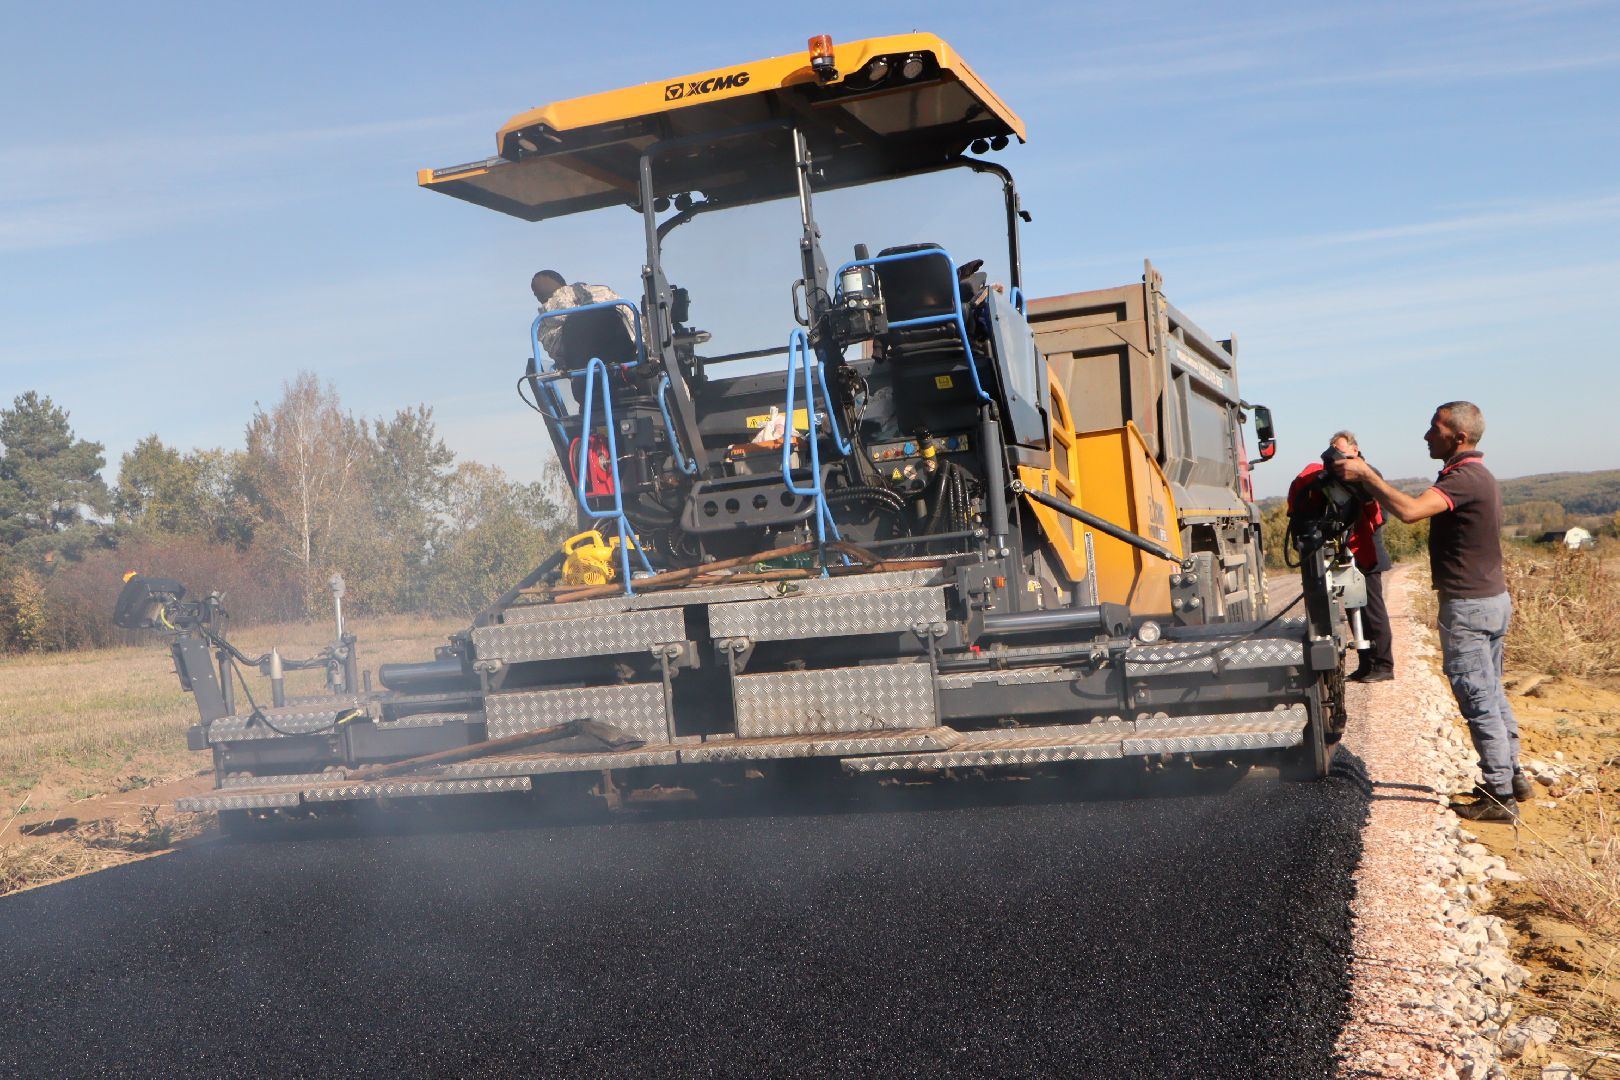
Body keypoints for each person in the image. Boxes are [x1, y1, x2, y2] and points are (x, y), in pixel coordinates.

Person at [1333, 401, 1527, 822]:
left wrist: (1365, 474)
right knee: (1491, 690)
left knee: (1476, 696)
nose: (1426, 436)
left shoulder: (1464, 478)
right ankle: (1512, 776)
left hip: (1469, 606)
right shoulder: (1479, 475)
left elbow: (1409, 511)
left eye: (1434, 428)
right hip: (1491, 600)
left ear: (1459, 436)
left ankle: (1499, 795)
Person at [1287, 431, 1394, 682]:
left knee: (1373, 610)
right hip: (1345, 551)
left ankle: (1383, 665)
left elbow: (1380, 516)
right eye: (1334, 451)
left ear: (1355, 451)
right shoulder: (1329, 480)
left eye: (1343, 452)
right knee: (1354, 607)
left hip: (1367, 551)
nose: (1339, 459)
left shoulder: (1369, 474)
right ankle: (1365, 664)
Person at [531, 270, 640, 372]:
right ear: (564, 284)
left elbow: (559, 355)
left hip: (585, 379)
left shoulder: (544, 325)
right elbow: (637, 326)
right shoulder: (601, 294)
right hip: (630, 367)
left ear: (538, 297)